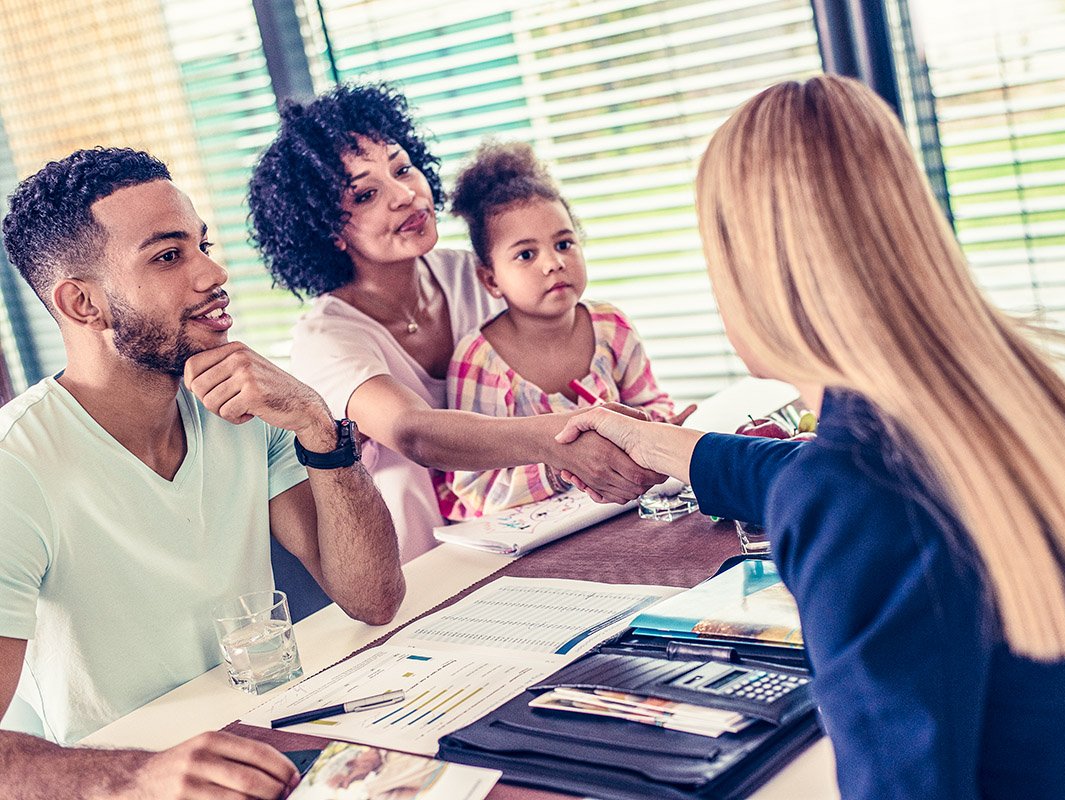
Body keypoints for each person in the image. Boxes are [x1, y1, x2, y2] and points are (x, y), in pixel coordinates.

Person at [557, 76, 1065, 799]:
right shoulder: (1004, 400)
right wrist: (658, 445)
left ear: (749, 273)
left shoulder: (859, 492)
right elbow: (823, 480)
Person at [0, 147, 404, 798]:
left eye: (202, 244)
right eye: (168, 256)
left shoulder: (250, 406)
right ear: (82, 304)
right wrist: (138, 774)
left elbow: (373, 598)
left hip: (271, 747)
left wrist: (318, 427)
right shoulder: (14, 470)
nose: (213, 273)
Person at [247, 85, 662, 561]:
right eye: (364, 194)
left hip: (531, 521)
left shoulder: (475, 273)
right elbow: (412, 431)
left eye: (403, 168)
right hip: (422, 550)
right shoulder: (328, 337)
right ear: (327, 229)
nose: (406, 195)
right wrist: (571, 437)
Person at [442, 140, 693, 518]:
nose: (554, 263)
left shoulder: (611, 327)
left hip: (623, 512)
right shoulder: (480, 361)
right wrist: (564, 469)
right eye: (527, 254)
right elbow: (477, 488)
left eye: (564, 243)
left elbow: (651, 405)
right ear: (490, 279)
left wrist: (660, 430)